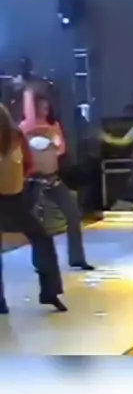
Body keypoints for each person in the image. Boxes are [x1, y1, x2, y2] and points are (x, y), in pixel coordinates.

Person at [0, 104, 66, 314]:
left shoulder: (17, 136)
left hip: (15, 199)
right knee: (42, 239)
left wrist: (18, 180)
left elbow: (29, 164)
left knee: (42, 239)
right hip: (10, 197)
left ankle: (49, 291)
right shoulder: (16, 136)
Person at [19, 88, 94, 271]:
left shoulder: (53, 126)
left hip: (52, 177)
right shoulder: (25, 127)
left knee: (73, 215)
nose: (44, 110)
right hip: (33, 180)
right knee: (35, 222)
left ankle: (77, 258)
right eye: (41, 107)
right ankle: (40, 262)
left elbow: (61, 149)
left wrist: (53, 143)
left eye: (46, 107)